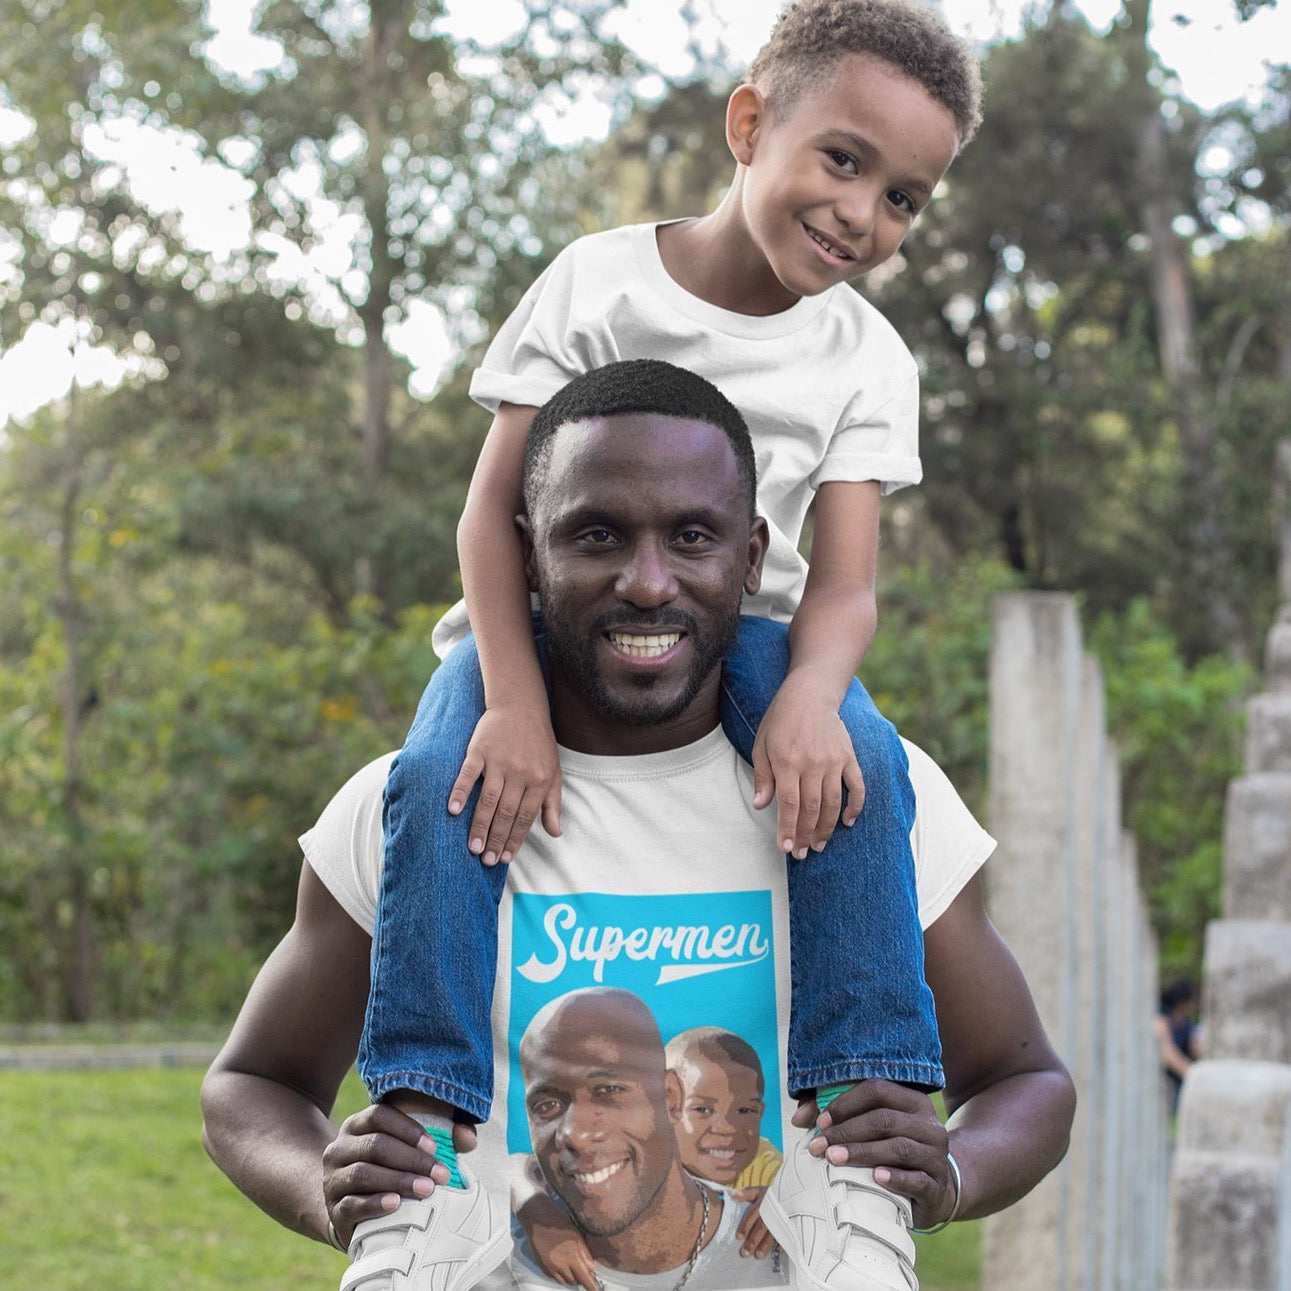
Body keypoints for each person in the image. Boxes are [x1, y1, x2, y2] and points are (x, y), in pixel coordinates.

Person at [200, 363, 1076, 1291]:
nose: (648, 582)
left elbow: (1026, 1081)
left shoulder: (867, 793)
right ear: (527, 555)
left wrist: (943, 1176)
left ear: (749, 557)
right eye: (597, 535)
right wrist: (330, 1189)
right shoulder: (412, 807)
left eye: (692, 536)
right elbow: (250, 1085)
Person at [366, 4, 983, 1287]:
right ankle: (430, 1128)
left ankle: (855, 1139)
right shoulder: (600, 282)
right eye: (844, 161)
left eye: (906, 200)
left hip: (748, 643)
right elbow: (491, 515)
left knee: (865, 773)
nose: (864, 215)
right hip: (538, 630)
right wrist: (515, 699)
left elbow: (849, 582)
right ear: (750, 127)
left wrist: (815, 691)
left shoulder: (865, 355)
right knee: (433, 784)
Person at [511, 989, 785, 1291]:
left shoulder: (774, 1237)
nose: (576, 1135)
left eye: (608, 1091)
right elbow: (510, 1167)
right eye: (547, 1105)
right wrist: (534, 1211)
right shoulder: (511, 1250)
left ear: (670, 1099)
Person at [1155, 977, 1203, 1116]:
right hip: (1166, 1080)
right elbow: (1168, 1055)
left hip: (1181, 1076)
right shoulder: (1161, 1020)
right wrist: (1194, 1075)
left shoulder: (1185, 1023)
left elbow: (1197, 1049)